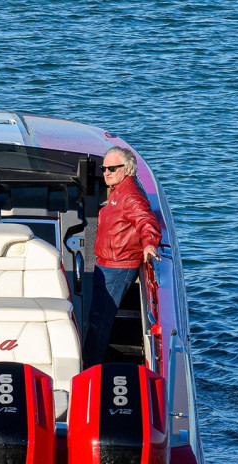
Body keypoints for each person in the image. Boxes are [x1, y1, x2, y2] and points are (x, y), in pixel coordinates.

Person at [83, 146, 161, 367]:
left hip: (117, 267)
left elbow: (147, 222)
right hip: (107, 263)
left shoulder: (131, 196)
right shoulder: (119, 189)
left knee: (100, 321)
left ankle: (91, 368)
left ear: (126, 169)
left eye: (111, 168)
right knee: (98, 317)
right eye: (104, 168)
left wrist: (149, 245)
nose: (105, 172)